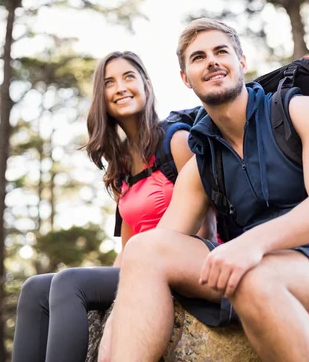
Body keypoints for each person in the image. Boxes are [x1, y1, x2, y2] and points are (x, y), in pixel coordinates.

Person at [108, 18, 309, 362]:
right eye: (198, 57)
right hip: (256, 270)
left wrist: (250, 244)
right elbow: (157, 250)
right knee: (143, 249)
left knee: (252, 277)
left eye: (222, 51)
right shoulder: (205, 157)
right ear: (185, 79)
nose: (212, 61)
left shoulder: (300, 110)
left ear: (242, 62)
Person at [11, 51, 214, 362]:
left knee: (70, 283)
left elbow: (206, 224)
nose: (120, 87)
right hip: (140, 264)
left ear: (146, 85)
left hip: (185, 259)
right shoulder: (120, 165)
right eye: (109, 82)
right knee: (36, 288)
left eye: (129, 77)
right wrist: (111, 283)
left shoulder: (177, 140)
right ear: (101, 97)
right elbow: (128, 247)